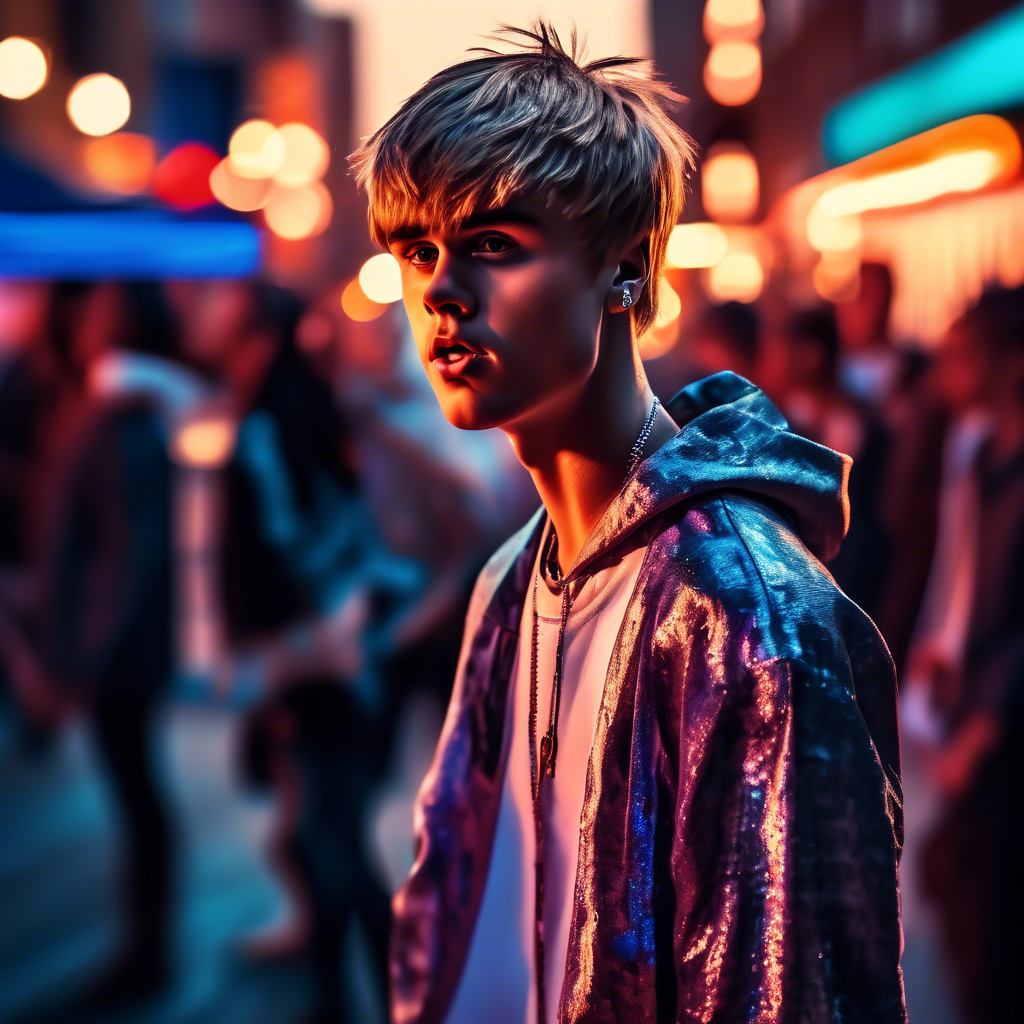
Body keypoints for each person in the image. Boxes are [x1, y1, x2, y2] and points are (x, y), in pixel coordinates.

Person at [350, 23, 905, 1024]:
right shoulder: (513, 579)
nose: (438, 290)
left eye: (492, 246)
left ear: (624, 272)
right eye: (416, 250)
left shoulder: (750, 621)